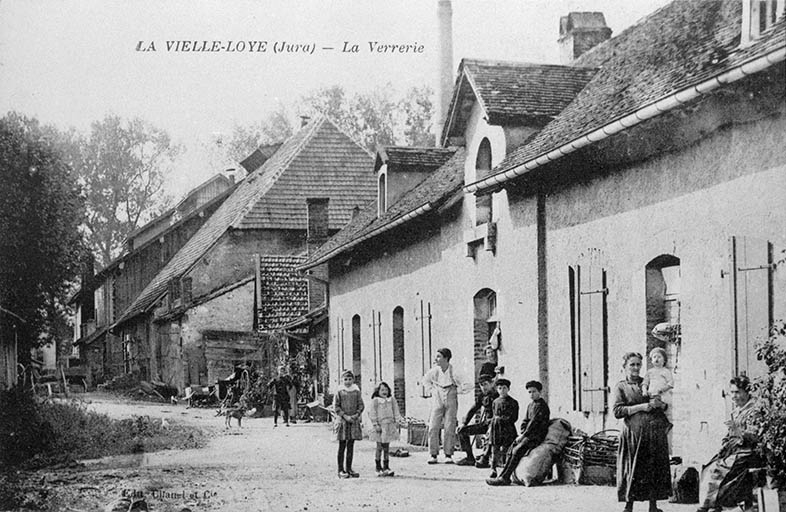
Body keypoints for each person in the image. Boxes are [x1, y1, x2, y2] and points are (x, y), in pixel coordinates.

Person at [614, 352, 672, 512]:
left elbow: (664, 404)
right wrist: (640, 407)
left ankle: (653, 506)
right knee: (633, 467)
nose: (635, 368)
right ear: (625, 367)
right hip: (633, 434)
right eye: (632, 364)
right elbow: (617, 411)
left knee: (652, 467)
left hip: (652, 433)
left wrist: (660, 404)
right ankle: (628, 506)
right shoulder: (621, 386)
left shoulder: (648, 382)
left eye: (638, 364)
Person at [696, 375, 762, 512]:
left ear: (746, 391)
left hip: (748, 452)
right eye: (732, 392)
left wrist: (739, 432)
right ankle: (710, 504)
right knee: (708, 467)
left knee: (718, 471)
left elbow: (756, 436)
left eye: (737, 392)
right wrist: (725, 443)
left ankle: (712, 505)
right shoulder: (736, 412)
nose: (734, 396)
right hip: (734, 451)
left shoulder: (754, 411)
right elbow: (728, 435)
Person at [486, 380, 549, 486]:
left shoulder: (541, 406)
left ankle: (504, 478)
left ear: (540, 392)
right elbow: (525, 421)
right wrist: (523, 431)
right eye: (529, 392)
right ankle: (503, 476)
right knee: (511, 449)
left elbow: (533, 424)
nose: (531, 394)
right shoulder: (531, 405)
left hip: (536, 436)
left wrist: (523, 436)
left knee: (517, 450)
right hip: (529, 435)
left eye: (534, 392)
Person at [423, 347, 471, 464]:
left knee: (450, 426)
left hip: (451, 396)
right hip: (438, 397)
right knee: (434, 425)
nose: (436, 359)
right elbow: (425, 380)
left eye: (439, 356)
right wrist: (432, 390)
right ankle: (433, 454)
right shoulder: (434, 371)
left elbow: (467, 385)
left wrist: (457, 391)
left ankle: (448, 454)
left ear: (446, 358)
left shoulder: (454, 371)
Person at [455, 373, 498, 467]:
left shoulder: (497, 395)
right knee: (462, 431)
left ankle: (486, 458)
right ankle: (470, 458)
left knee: (491, 435)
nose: (484, 387)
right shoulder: (482, 396)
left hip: (496, 425)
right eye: (481, 385)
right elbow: (473, 409)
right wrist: (464, 423)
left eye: (486, 384)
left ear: (491, 383)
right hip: (486, 424)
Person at [367, 381, 404, 477]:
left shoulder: (391, 400)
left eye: (386, 390)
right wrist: (375, 424)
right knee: (379, 447)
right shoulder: (375, 401)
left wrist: (398, 421)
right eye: (382, 390)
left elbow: (396, 411)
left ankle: (386, 467)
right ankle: (378, 467)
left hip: (389, 425)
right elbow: (372, 413)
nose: (384, 391)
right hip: (380, 426)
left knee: (387, 447)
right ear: (378, 391)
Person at [333, 370, 364, 478]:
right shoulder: (340, 391)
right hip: (343, 421)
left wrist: (356, 415)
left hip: (353, 421)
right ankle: (340, 470)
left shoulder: (356, 391)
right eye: (345, 379)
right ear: (342, 380)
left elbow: (361, 405)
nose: (348, 381)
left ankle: (349, 468)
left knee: (351, 445)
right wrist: (345, 416)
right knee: (342, 445)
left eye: (350, 379)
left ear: (353, 380)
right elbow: (336, 406)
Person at [487, 378, 519, 478]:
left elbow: (514, 417)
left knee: (506, 448)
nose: (502, 390)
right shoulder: (495, 402)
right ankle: (493, 469)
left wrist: (504, 420)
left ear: (508, 389)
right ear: (497, 390)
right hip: (496, 427)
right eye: (500, 388)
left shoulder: (513, 402)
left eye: (504, 388)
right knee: (494, 448)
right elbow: (493, 414)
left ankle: (506, 470)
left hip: (507, 428)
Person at [642, 347, 674, 415]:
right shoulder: (649, 372)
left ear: (664, 360)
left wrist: (663, 389)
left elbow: (671, 384)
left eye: (659, 357)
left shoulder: (666, 371)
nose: (656, 359)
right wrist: (644, 390)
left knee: (663, 411)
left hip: (663, 395)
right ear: (651, 360)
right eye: (654, 357)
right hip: (652, 395)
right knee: (653, 412)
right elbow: (645, 383)